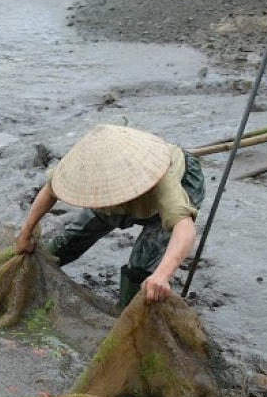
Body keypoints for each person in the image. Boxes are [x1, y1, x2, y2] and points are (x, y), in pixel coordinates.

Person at [14, 124, 205, 306]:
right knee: (71, 238)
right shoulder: (82, 165)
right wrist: (27, 230)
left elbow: (184, 227)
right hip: (117, 195)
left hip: (169, 190)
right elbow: (50, 190)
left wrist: (162, 275)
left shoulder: (161, 180)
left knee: (142, 265)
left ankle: (128, 309)